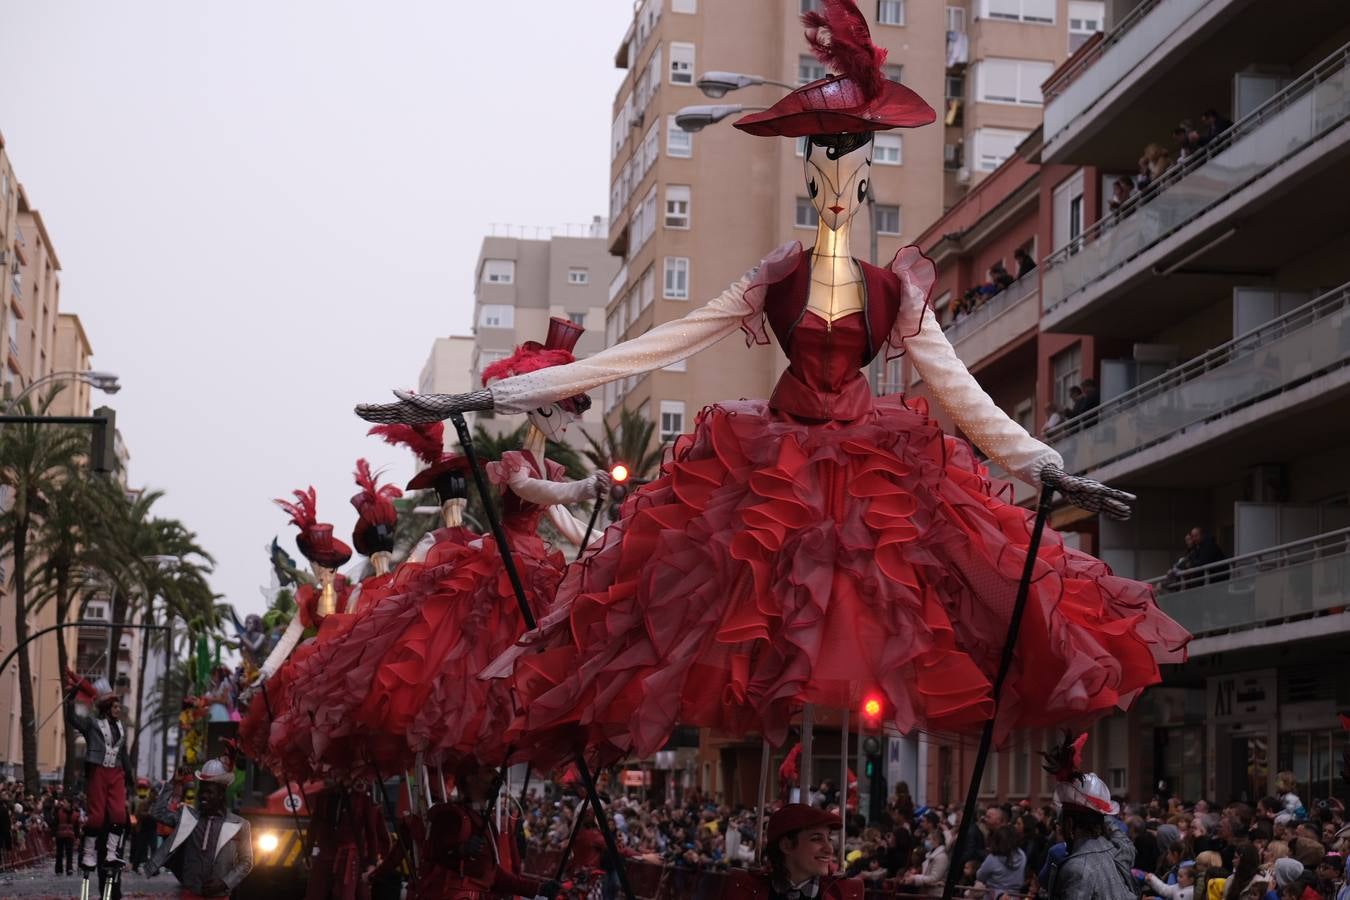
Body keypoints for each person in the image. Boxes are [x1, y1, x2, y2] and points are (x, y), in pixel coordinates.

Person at [368, 0, 1189, 768]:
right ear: (809, 181)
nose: (835, 195)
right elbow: (650, 348)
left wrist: (1043, 463)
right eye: (822, 177)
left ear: (865, 184)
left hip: (872, 475)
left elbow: (960, 390)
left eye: (849, 178)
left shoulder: (891, 290)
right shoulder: (777, 280)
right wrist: (480, 400)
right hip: (774, 471)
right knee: (729, 616)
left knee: (915, 613)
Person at [421, 758, 561, 899]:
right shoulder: (450, 815)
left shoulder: (487, 822)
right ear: (470, 778)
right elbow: (438, 854)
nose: (496, 775)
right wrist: (461, 850)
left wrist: (538, 888)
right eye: (489, 771)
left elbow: (493, 875)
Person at [1042, 734, 1137, 899]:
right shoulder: (1116, 851)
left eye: (1061, 821)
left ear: (1069, 824)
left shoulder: (1076, 869)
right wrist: (1095, 807)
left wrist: (1090, 804)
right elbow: (1126, 843)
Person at [146, 758, 253, 898]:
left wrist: (224, 883)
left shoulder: (240, 825)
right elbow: (157, 812)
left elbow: (246, 862)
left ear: (221, 794)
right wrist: (174, 782)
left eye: (209, 792)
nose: (203, 796)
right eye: (201, 792)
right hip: (189, 893)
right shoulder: (188, 817)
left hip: (219, 896)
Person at [64, 672, 134, 869]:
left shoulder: (121, 727)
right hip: (98, 771)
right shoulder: (92, 724)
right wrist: (71, 699)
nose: (118, 709)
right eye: (115, 706)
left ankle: (111, 854)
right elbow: (73, 719)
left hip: (116, 772)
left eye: (119, 706)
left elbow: (124, 754)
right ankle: (88, 855)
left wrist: (130, 776)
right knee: (96, 817)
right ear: (106, 707)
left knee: (119, 814)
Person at [723, 804, 863, 900]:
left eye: (828, 838)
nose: (829, 849)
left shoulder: (845, 894)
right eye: (816, 839)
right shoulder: (744, 890)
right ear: (786, 845)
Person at [976, 824, 1027, 896]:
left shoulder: (993, 859)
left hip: (993, 896)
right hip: (1015, 896)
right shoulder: (1022, 854)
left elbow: (980, 876)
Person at [54, 796, 78, 876]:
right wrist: (54, 834)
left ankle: (69, 868)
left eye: (65, 802)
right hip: (60, 835)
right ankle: (59, 869)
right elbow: (55, 823)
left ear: (69, 804)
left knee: (69, 853)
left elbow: (76, 826)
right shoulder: (59, 812)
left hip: (69, 835)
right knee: (59, 853)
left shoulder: (74, 813)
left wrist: (77, 837)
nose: (63, 803)